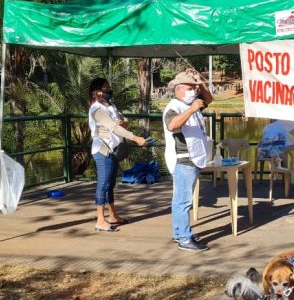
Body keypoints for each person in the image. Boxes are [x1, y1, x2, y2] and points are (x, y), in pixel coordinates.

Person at [162, 68, 213, 252]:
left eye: (195, 88)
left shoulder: (193, 102)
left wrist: (200, 80)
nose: (195, 91)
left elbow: (208, 99)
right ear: (179, 89)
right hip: (184, 159)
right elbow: (172, 125)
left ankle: (179, 233)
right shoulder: (174, 107)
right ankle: (185, 238)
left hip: (194, 158)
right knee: (184, 201)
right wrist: (192, 109)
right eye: (191, 88)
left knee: (179, 200)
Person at [87, 77, 148, 232]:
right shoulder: (96, 109)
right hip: (103, 150)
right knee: (103, 184)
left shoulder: (110, 105)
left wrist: (125, 124)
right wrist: (136, 138)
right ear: (97, 92)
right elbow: (113, 128)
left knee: (111, 184)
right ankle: (100, 220)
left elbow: (122, 122)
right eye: (106, 88)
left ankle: (113, 215)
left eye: (109, 88)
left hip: (114, 149)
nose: (109, 91)